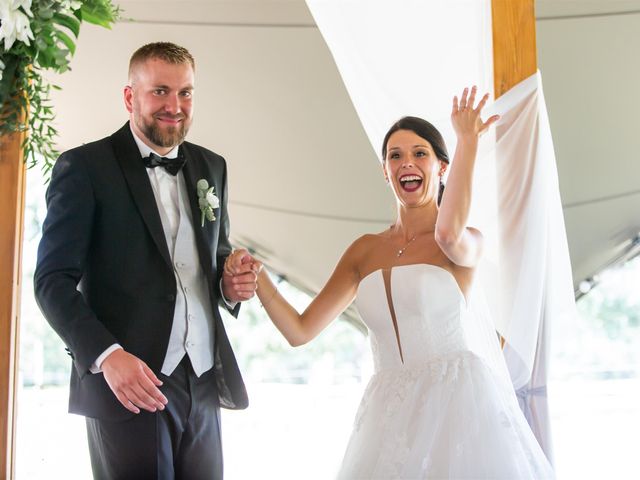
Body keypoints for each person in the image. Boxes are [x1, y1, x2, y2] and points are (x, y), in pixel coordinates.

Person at [226, 86, 555, 478]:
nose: (406, 163)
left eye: (420, 154)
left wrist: (467, 141)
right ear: (385, 171)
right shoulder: (364, 250)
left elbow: (448, 233)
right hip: (387, 412)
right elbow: (299, 331)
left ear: (441, 167)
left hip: (456, 405)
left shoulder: (464, 242)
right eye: (395, 156)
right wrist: (256, 276)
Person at [34, 42, 259, 479]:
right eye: (160, 91)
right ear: (129, 97)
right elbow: (51, 281)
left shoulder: (212, 167)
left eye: (186, 93)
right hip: (128, 386)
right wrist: (107, 355)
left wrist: (230, 283)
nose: (174, 106)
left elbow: (213, 259)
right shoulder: (84, 168)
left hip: (203, 380)